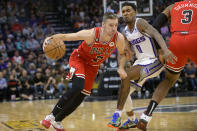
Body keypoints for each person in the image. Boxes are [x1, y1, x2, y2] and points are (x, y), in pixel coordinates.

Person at [40, 12, 128, 131]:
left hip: (93, 66)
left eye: (116, 25)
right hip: (78, 59)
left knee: (81, 96)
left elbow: (122, 54)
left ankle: (57, 121)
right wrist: (49, 38)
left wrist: (121, 67)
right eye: (110, 25)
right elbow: (67, 36)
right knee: (78, 86)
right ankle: (50, 116)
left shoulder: (119, 38)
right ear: (103, 25)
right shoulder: (91, 34)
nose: (114, 28)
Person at [107, 2, 176, 130]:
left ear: (135, 12)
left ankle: (116, 115)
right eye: (124, 11)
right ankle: (132, 120)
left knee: (126, 77)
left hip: (154, 61)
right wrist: (124, 63)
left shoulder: (140, 23)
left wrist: (165, 50)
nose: (126, 13)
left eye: (128, 10)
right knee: (124, 91)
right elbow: (124, 52)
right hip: (140, 63)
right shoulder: (125, 31)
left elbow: (156, 33)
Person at [137, 0, 197, 130]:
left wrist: (161, 49)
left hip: (176, 42)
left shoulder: (172, 7)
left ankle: (146, 115)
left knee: (169, 80)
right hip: (195, 39)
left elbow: (155, 26)